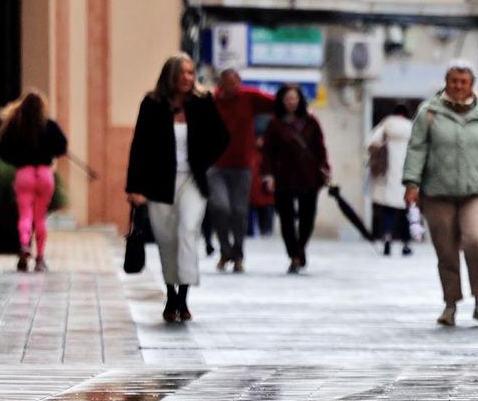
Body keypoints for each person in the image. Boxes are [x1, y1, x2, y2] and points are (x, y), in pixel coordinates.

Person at [402, 62, 478, 326]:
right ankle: (450, 304)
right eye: (454, 81)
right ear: (447, 82)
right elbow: (416, 149)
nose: (459, 86)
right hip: (437, 191)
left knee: (476, 240)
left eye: (464, 82)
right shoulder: (429, 112)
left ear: (471, 84)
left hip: (476, 190)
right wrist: (411, 184)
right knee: (446, 249)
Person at [125, 55, 229, 323]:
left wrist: (202, 160)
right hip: (159, 183)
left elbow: (221, 137)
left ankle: (183, 297)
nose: (188, 77)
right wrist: (135, 187)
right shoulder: (152, 104)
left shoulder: (203, 103)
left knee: (187, 231)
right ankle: (171, 296)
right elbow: (140, 146)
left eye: (191, 72)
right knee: (166, 240)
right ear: (170, 75)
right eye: (182, 73)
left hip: (192, 181)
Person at [207, 69, 275, 272]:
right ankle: (224, 249)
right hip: (215, 164)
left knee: (239, 211)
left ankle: (237, 255)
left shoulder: (249, 97)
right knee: (220, 207)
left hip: (242, 165)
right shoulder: (211, 100)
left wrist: (299, 110)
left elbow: (276, 104)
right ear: (221, 84)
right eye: (228, 83)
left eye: (236, 83)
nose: (233, 87)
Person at [260, 84, 329, 274]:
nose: (292, 102)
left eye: (295, 98)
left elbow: (320, 148)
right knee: (286, 219)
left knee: (307, 217)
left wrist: (325, 168)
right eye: (288, 98)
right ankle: (294, 254)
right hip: (284, 177)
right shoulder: (275, 123)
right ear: (282, 101)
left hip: (309, 176)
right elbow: (268, 152)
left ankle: (300, 248)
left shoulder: (311, 121)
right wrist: (268, 175)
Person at [0, 90, 67, 272]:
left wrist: (16, 160)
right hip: (44, 174)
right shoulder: (49, 124)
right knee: (40, 217)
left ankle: (24, 245)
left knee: (25, 214)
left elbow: (3, 149)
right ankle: (40, 258)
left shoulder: (16, 125)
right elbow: (62, 145)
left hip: (24, 174)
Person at [367, 102, 414, 256]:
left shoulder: (387, 124)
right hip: (407, 172)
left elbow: (371, 141)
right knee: (406, 211)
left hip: (389, 172)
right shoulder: (412, 126)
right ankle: (406, 244)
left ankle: (387, 238)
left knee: (388, 209)